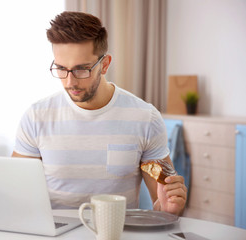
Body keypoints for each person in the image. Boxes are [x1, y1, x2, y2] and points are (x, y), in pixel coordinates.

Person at [12, 11, 187, 216]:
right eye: (61, 68)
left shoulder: (145, 118)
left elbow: (161, 203)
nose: (70, 82)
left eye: (81, 69)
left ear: (104, 65)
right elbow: (18, 195)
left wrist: (168, 209)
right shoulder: (36, 117)